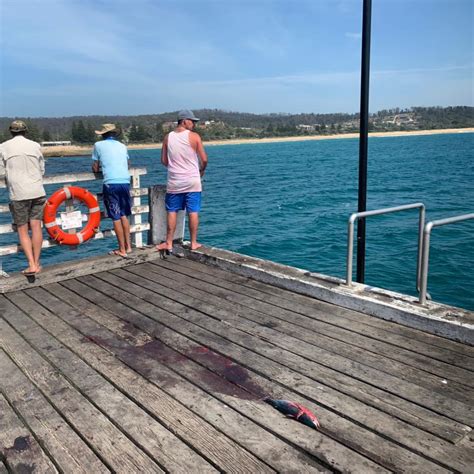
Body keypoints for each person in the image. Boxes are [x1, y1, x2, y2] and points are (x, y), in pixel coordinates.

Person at [157, 110, 208, 252]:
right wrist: (201, 170)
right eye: (192, 121)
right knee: (193, 211)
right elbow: (204, 159)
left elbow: (163, 160)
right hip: (192, 180)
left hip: (175, 181)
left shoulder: (168, 137)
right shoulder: (194, 137)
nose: (194, 124)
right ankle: (193, 243)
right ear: (184, 121)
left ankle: (168, 242)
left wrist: (175, 168)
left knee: (172, 211)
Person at [0, 120, 46, 275]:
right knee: (36, 227)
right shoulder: (35, 146)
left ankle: (31, 264)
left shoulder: (3, 147)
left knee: (22, 229)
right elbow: (42, 168)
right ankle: (37, 262)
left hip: (19, 193)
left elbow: (1, 173)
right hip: (38, 191)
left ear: (11, 132)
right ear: (25, 131)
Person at [92, 123, 132, 257]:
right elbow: (128, 164)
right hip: (125, 182)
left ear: (103, 135)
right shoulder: (122, 146)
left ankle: (122, 249)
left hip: (111, 183)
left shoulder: (98, 146)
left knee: (115, 217)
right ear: (115, 134)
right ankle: (129, 246)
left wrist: (98, 169)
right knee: (124, 215)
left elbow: (95, 167)